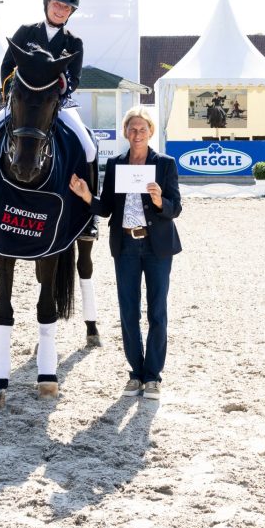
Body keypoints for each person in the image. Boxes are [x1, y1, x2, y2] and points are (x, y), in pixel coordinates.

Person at [68, 106, 181, 401]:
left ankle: (153, 376)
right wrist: (85, 195)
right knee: (128, 312)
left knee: (157, 312)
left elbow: (176, 208)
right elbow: (106, 208)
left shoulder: (165, 164)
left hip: (157, 246)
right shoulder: (117, 164)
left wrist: (159, 201)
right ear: (125, 132)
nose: (137, 134)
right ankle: (135, 373)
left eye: (142, 129)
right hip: (126, 246)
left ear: (151, 132)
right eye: (132, 129)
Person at [0, 0, 98, 238]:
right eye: (57, 4)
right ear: (47, 3)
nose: (61, 10)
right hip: (22, 105)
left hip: (56, 107)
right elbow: (6, 67)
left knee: (89, 146)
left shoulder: (74, 42)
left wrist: (60, 86)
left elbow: (75, 78)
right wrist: (14, 93)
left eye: (67, 7)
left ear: (71, 13)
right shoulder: (25, 32)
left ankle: (89, 215)